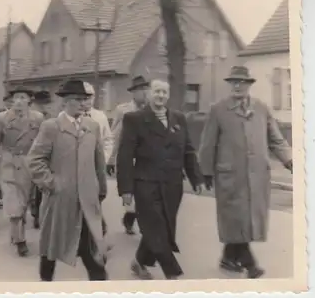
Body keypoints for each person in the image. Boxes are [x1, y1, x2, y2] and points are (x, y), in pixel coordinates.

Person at [198, 66, 293, 279]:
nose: (237, 85)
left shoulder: (261, 108)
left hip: (257, 175)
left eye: (242, 82)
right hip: (231, 176)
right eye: (234, 82)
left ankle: (228, 257)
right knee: (236, 217)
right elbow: (208, 143)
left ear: (250, 85)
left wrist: (290, 160)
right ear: (229, 85)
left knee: (247, 219)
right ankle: (250, 264)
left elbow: (275, 138)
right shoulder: (219, 109)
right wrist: (205, 171)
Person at [116, 78, 207, 280]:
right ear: (149, 94)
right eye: (157, 91)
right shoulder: (134, 119)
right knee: (156, 227)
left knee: (162, 227)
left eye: (164, 92)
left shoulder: (179, 118)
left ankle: (139, 262)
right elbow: (124, 155)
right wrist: (126, 190)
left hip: (172, 184)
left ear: (169, 95)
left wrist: (197, 179)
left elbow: (188, 151)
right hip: (146, 184)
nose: (160, 96)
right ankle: (172, 273)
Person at [27, 79, 108, 281]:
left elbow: (98, 161)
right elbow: (35, 160)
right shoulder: (51, 127)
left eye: (85, 99)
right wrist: (52, 184)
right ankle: (46, 285)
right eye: (78, 100)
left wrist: (100, 189)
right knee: (51, 248)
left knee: (91, 252)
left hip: (87, 201)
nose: (83, 104)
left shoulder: (92, 126)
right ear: (65, 102)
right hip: (59, 201)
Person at [0, 86, 44, 257]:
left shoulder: (38, 118)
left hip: (28, 164)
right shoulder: (2, 118)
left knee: (22, 203)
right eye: (16, 97)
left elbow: (42, 143)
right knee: (13, 202)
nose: (18, 101)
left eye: (23, 97)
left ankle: (16, 231)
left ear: (29, 100)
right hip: (8, 163)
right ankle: (20, 240)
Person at [107, 76, 150, 235]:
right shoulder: (123, 110)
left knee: (144, 193)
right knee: (129, 192)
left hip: (145, 159)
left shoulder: (152, 110)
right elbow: (115, 135)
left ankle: (136, 219)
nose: (144, 93)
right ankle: (129, 217)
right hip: (128, 157)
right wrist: (111, 159)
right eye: (140, 90)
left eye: (146, 89)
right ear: (133, 93)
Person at [82, 82, 113, 238]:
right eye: (84, 97)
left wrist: (104, 159)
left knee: (96, 196)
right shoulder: (68, 116)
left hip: (96, 166)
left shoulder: (100, 117)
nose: (87, 100)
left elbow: (108, 139)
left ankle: (97, 229)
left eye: (90, 97)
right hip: (78, 167)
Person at [29, 90, 54, 229]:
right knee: (33, 187)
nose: (44, 106)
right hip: (29, 154)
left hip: (46, 156)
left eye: (47, 104)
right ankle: (35, 212)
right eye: (41, 104)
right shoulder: (31, 116)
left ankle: (38, 214)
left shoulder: (51, 117)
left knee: (41, 187)